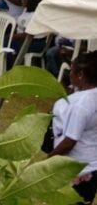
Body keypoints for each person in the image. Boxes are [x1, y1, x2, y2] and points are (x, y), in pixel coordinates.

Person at [48, 51, 97, 203]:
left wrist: (46, 162)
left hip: (76, 168)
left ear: (80, 74)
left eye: (72, 70)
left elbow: (70, 141)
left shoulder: (80, 105)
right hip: (92, 165)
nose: (69, 74)